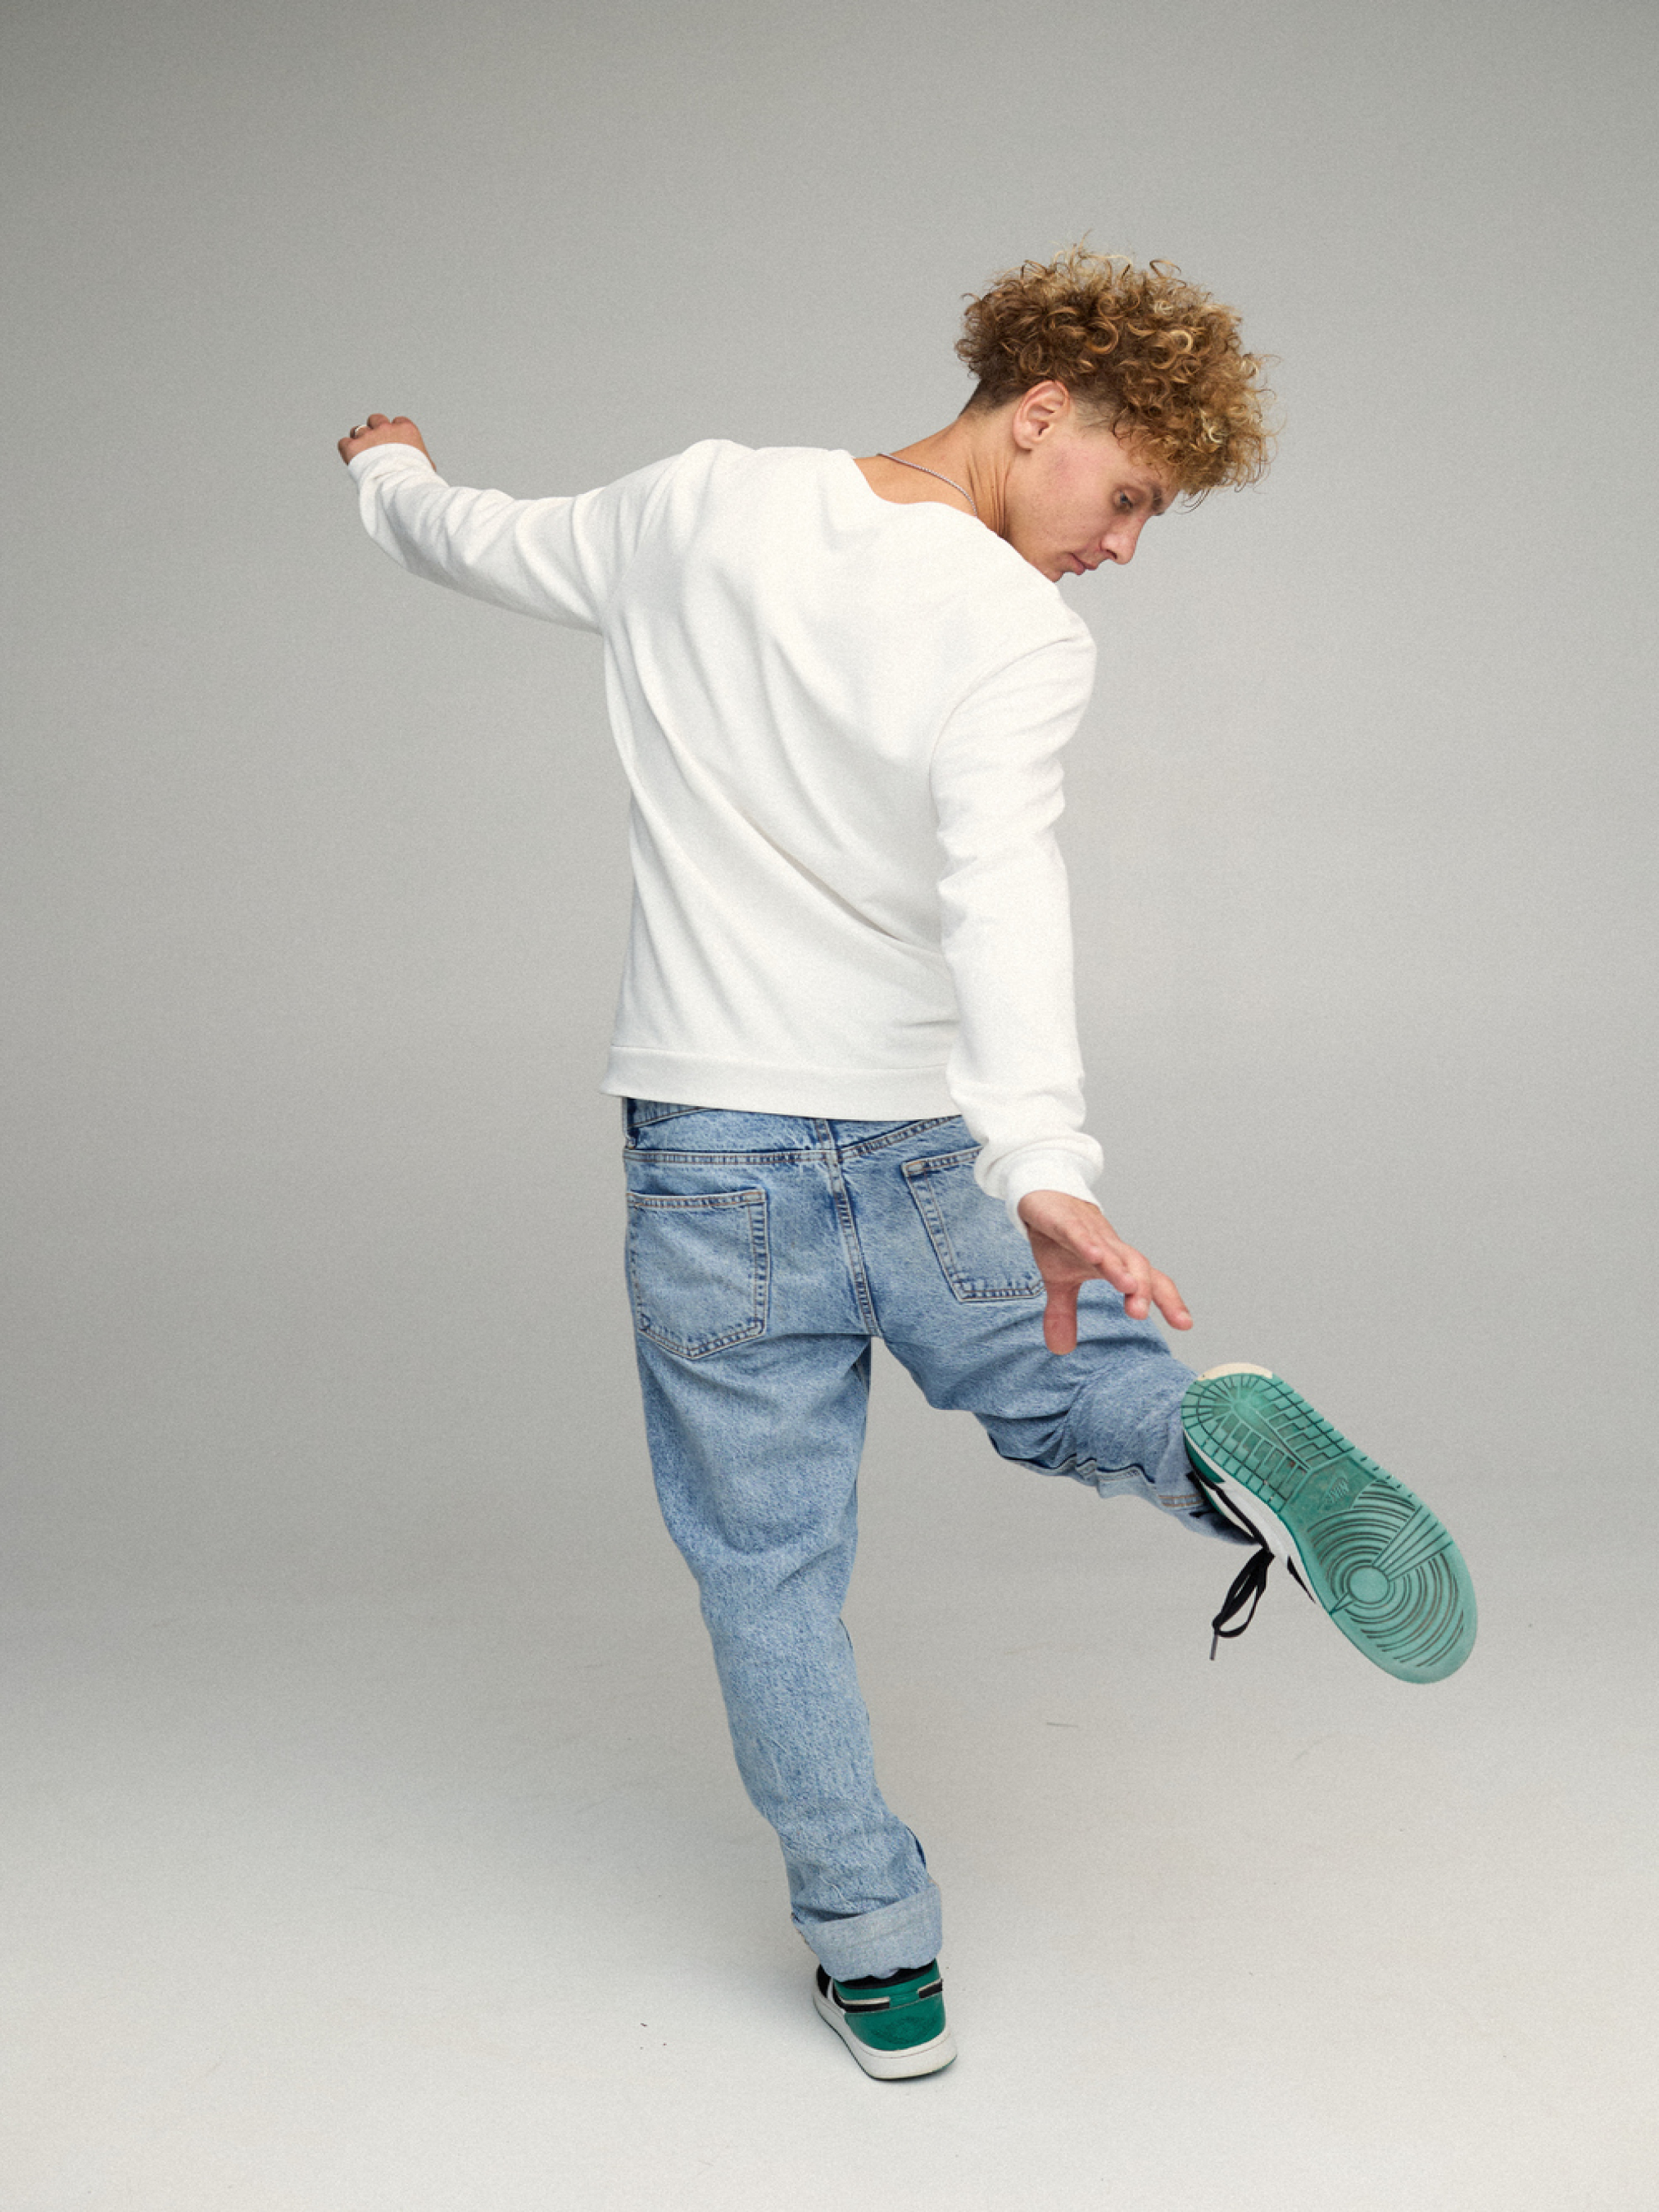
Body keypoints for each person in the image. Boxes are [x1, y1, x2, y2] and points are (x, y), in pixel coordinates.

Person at [336, 245, 1476, 2081]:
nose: (1123, 547)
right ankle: (1200, 1449)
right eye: (1129, 496)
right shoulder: (1015, 632)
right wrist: (1042, 1164)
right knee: (1059, 1385)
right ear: (1042, 411)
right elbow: (998, 889)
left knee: (767, 1571)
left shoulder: (693, 505)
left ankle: (874, 1954)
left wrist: (390, 466)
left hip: (711, 1157)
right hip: (925, 1146)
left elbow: (473, 538)